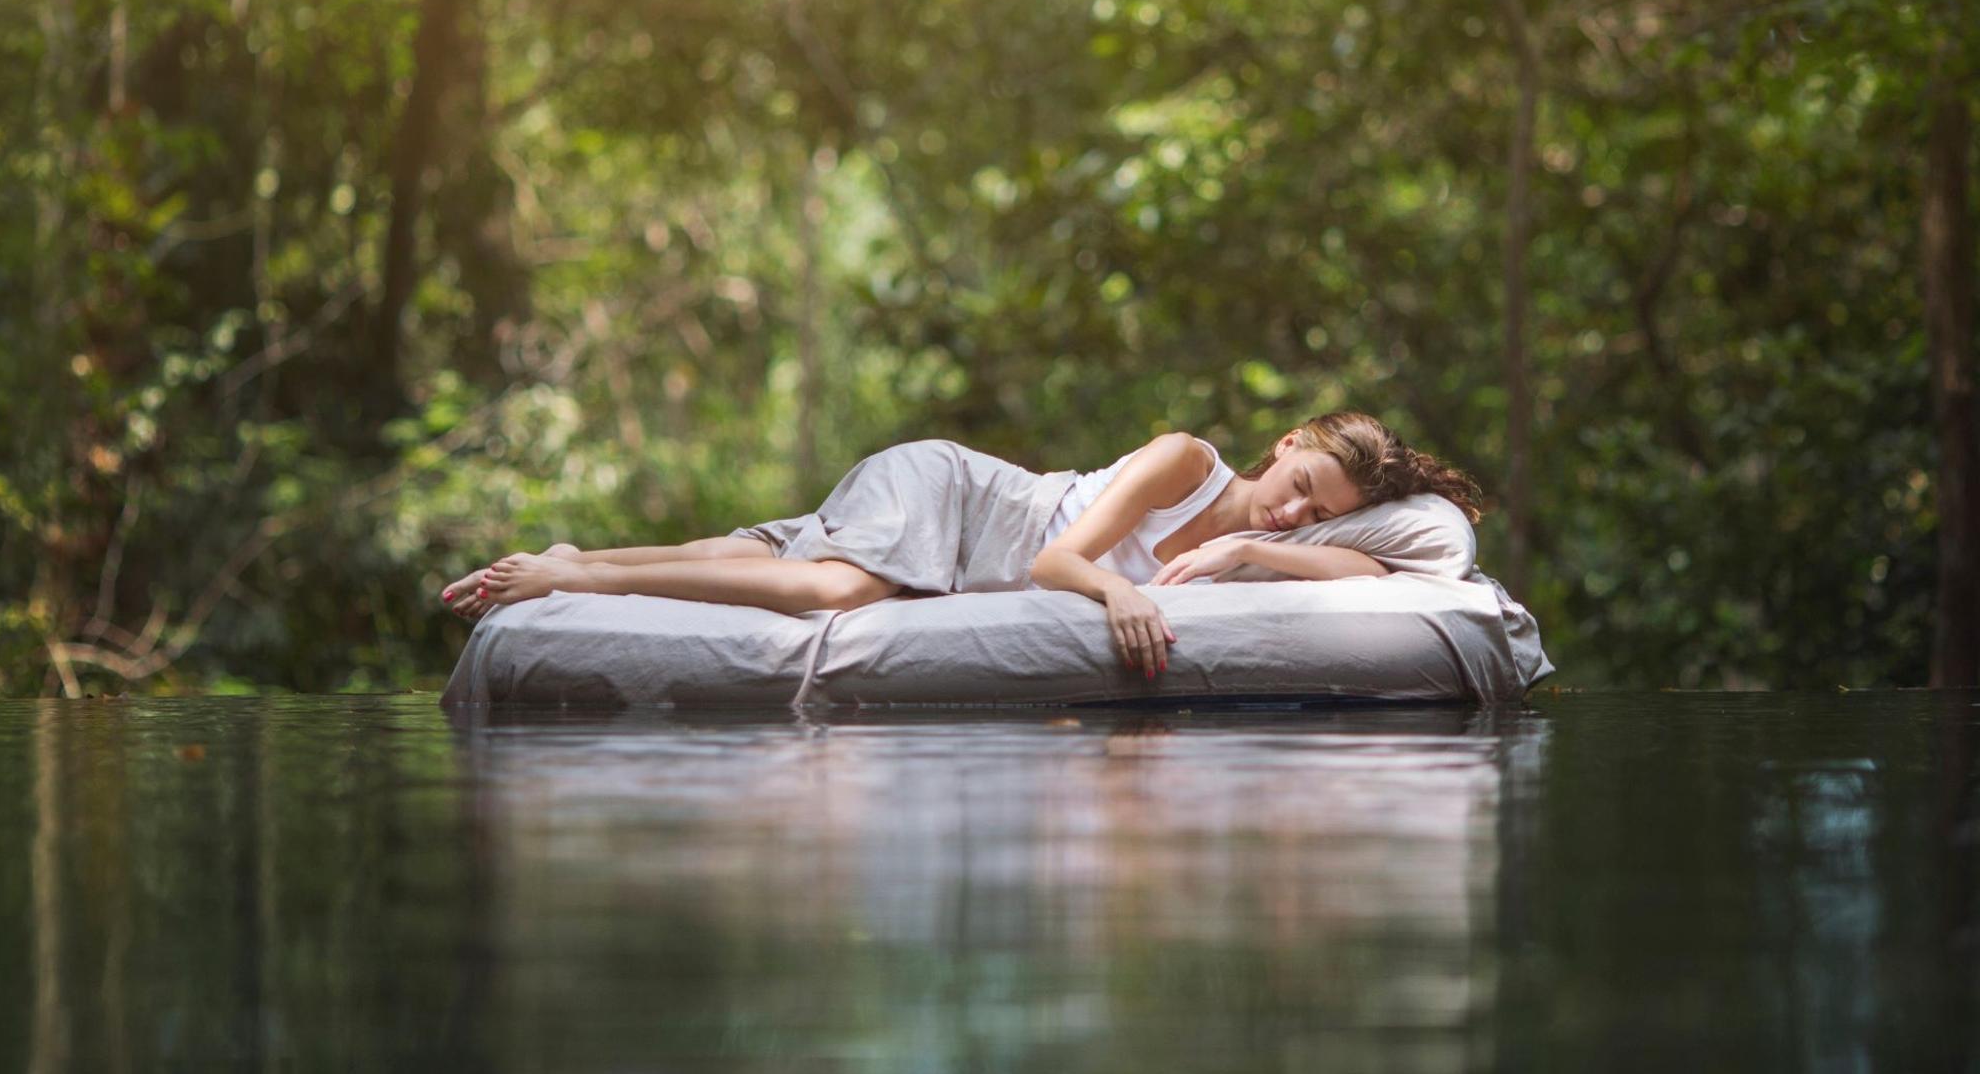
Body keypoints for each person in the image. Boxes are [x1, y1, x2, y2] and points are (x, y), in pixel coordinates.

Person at [438, 410, 1484, 681]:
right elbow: (1055, 562)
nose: (1291, 514)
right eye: (1298, 486)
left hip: (954, 530)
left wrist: (1252, 556)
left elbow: (1387, 562)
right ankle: (571, 574)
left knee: (756, 546)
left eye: (1317, 511)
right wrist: (1117, 596)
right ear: (1284, 444)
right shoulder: (1185, 459)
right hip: (959, 491)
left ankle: (591, 554)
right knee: (833, 585)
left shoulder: (1278, 533)